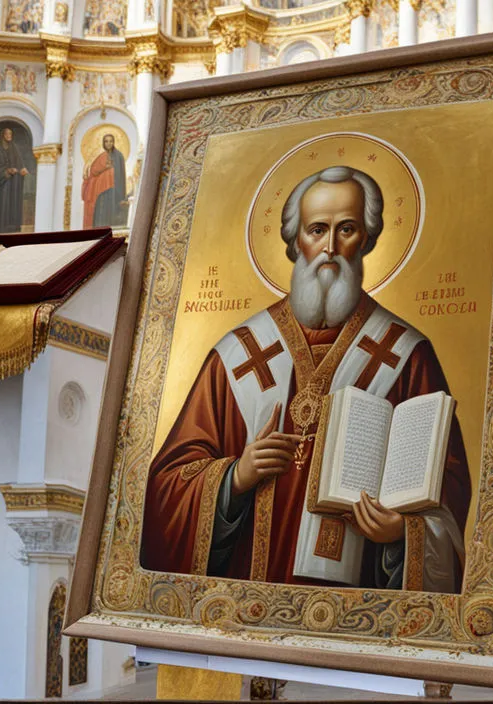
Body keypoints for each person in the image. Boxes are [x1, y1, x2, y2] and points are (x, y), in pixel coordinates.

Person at [142, 165, 471, 592]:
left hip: (356, 609)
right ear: (296, 240)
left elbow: (448, 486)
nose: (330, 247)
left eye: (347, 229)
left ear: (367, 239)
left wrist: (402, 533)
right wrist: (235, 477)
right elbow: (167, 483)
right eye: (317, 229)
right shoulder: (238, 353)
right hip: (247, 603)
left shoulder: (407, 355)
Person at [0, 127, 29, 233]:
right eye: (7, 134)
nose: (9, 136)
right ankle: (0, 228)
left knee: (12, 203)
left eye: (11, 134)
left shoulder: (13, 147)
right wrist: (7, 171)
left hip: (13, 183)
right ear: (3, 135)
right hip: (2, 183)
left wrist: (22, 169)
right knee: (3, 204)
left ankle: (13, 227)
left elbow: (19, 162)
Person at [81, 133, 128, 228]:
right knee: (100, 211)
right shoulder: (101, 155)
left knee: (111, 211)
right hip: (101, 189)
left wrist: (122, 194)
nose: (109, 143)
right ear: (103, 143)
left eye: (111, 141)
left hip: (114, 189)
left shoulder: (119, 156)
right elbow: (94, 170)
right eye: (106, 141)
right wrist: (104, 167)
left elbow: (121, 174)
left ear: (114, 142)